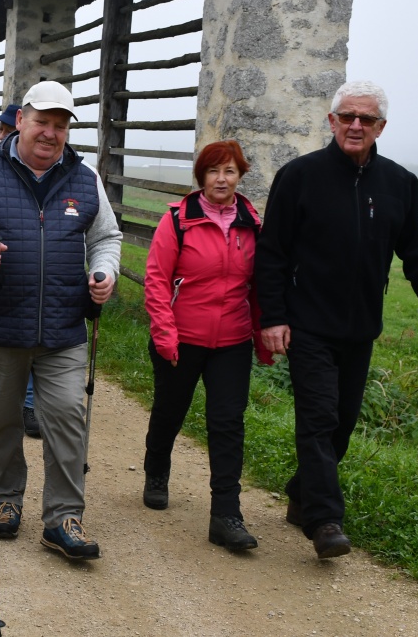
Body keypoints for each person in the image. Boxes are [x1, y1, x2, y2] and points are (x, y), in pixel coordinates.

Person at [255, 80, 418, 559]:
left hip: (361, 327)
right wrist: (274, 317)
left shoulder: (400, 183)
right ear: (332, 121)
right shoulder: (300, 176)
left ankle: (302, 495)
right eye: (347, 117)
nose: (355, 126)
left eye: (366, 119)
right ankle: (325, 520)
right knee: (318, 418)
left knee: (341, 423)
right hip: (308, 324)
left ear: (381, 126)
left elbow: (417, 246)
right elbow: (272, 253)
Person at [0, 80, 122, 561]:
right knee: (1, 420)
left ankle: (64, 517)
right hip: (1, 322)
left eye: (60, 125)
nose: (50, 133)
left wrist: (105, 271)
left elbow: (107, 236)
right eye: (41, 122)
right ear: (20, 119)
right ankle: (5, 502)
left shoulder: (86, 178)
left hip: (66, 328)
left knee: (66, 416)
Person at [142, 139, 273, 552]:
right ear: (201, 177)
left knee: (228, 423)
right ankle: (157, 472)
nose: (222, 178)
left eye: (230, 171)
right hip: (181, 338)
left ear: (240, 177)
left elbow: (259, 287)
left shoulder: (252, 224)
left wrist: (263, 338)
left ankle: (226, 515)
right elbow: (157, 280)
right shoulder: (179, 220)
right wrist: (165, 334)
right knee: (169, 411)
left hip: (232, 341)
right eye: (214, 171)